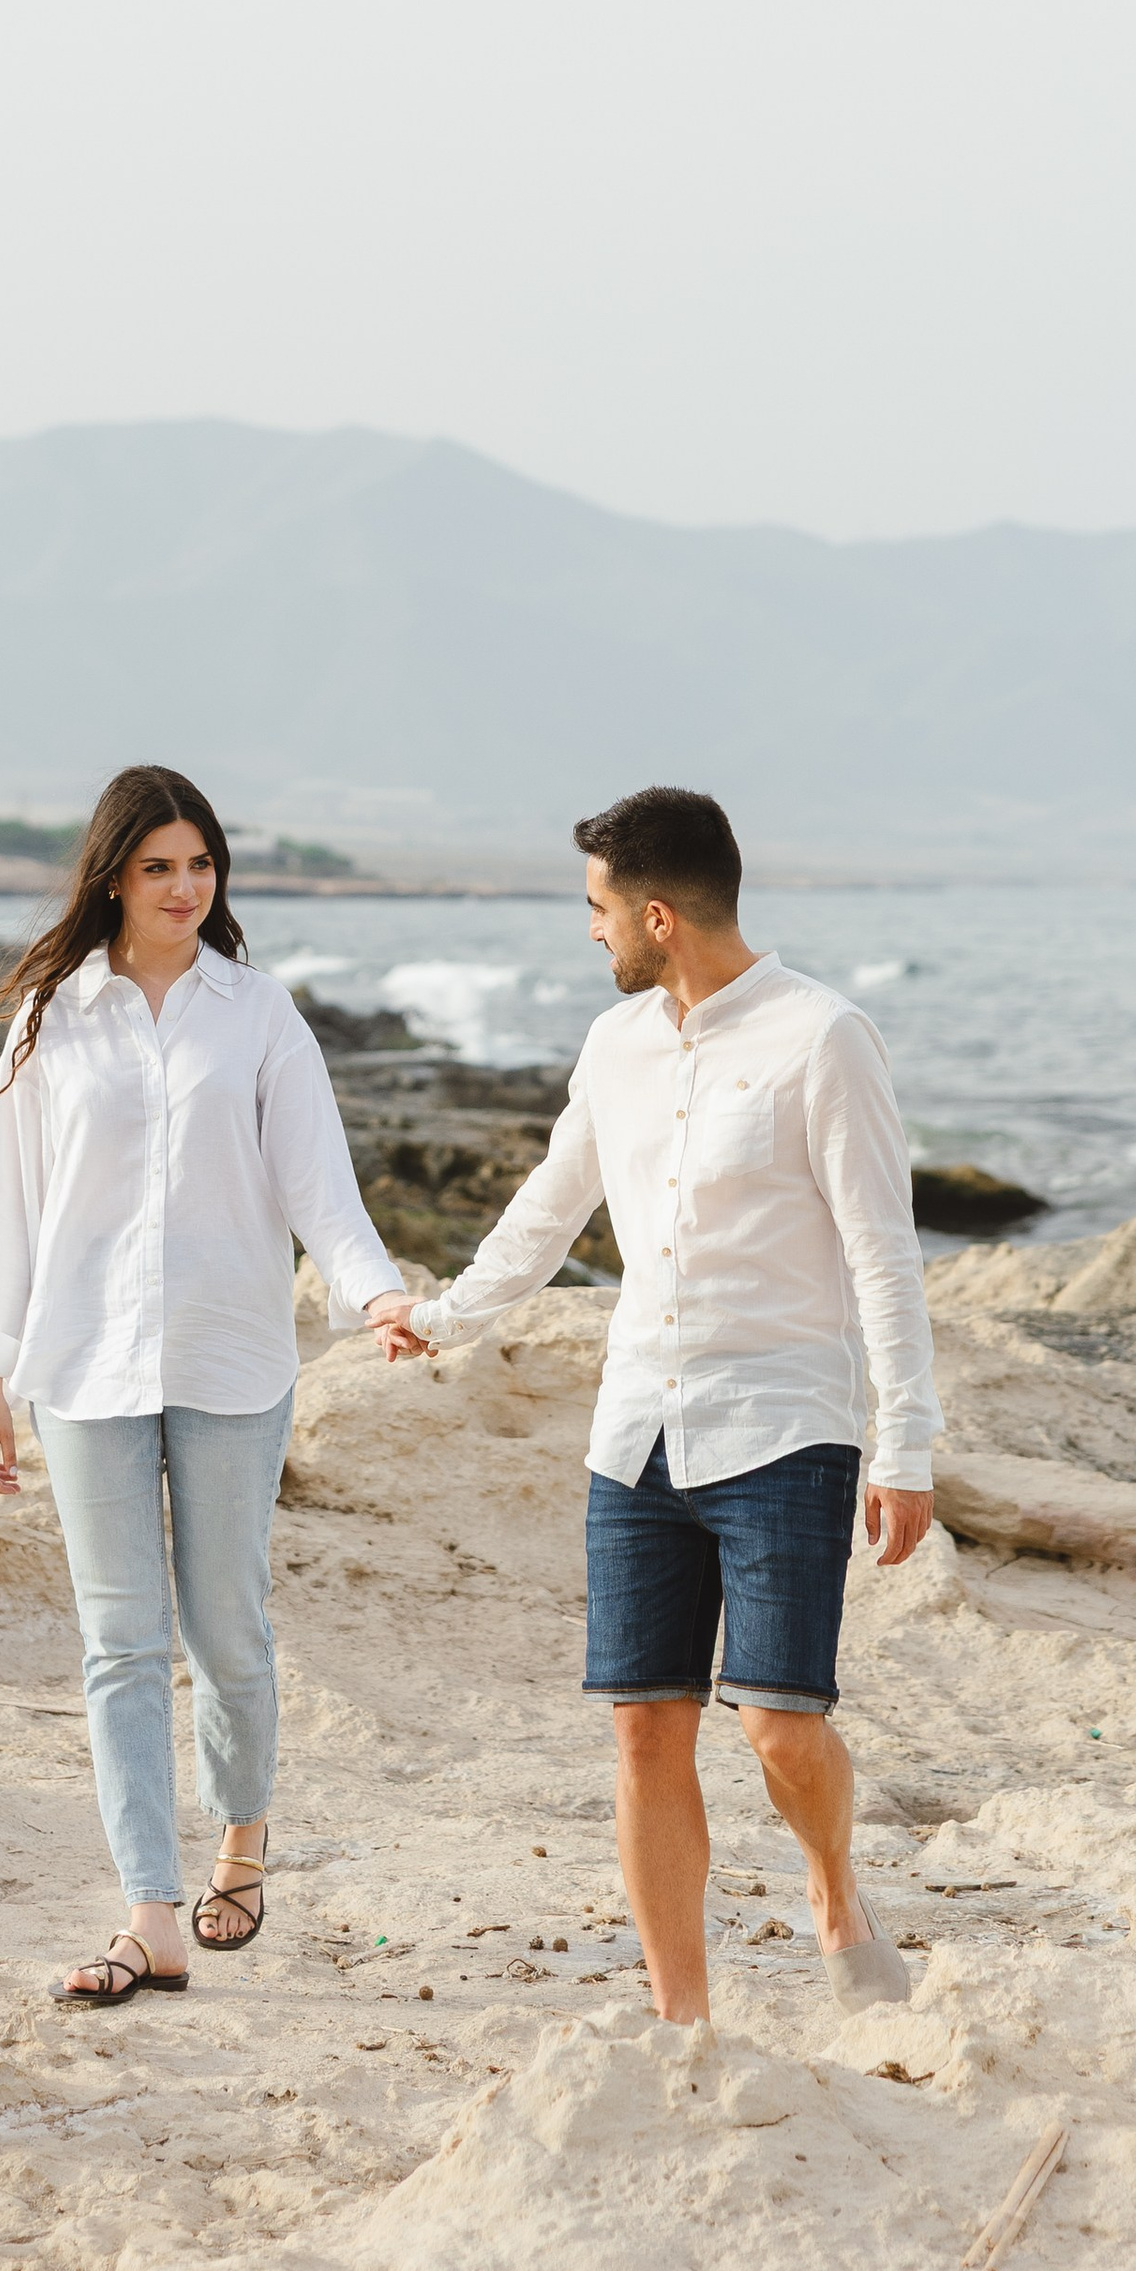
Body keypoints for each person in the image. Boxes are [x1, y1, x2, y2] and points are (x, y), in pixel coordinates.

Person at [365, 784, 941, 2025]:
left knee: (782, 1732)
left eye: (598, 908)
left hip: (785, 1426)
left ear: (661, 916)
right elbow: (549, 1203)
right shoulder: (613, 1047)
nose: (592, 932)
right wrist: (448, 1314)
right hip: (636, 1435)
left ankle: (835, 1892)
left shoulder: (822, 1038)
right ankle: (684, 2021)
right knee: (643, 1732)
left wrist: (907, 1443)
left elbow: (884, 1256)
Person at [0, 763, 403, 2007]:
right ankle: (149, 1913)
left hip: (232, 1355)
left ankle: (243, 1838)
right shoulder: (53, 1017)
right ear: (113, 874)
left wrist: (372, 1295)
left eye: (201, 864)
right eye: (159, 866)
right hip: (83, 1364)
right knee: (118, 1645)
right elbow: (14, 1205)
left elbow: (320, 1185)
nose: (184, 887)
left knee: (227, 1632)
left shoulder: (257, 1013)